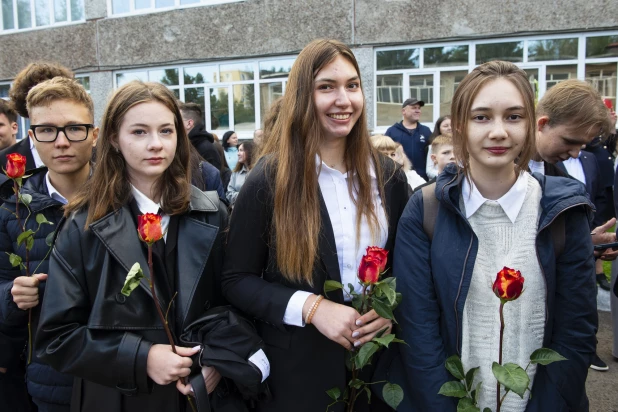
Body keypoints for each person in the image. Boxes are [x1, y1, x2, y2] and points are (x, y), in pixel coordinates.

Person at [393, 61, 597, 411]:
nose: (499, 131)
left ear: (532, 124)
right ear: (459, 126)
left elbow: (575, 333)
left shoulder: (564, 212)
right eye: (482, 117)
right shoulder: (425, 211)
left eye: (514, 116)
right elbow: (418, 332)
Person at [221, 39, 409, 412]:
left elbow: (406, 269)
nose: (344, 100)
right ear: (302, 96)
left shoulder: (388, 177)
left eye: (352, 85)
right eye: (327, 87)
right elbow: (235, 279)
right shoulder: (269, 180)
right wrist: (311, 307)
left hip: (377, 374)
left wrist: (391, 316)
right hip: (298, 380)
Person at [35, 81, 229, 411]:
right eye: (139, 132)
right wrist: (142, 358)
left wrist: (220, 361)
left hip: (200, 396)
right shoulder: (82, 225)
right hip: (117, 398)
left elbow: (234, 302)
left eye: (166, 131)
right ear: (113, 138)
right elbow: (57, 337)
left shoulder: (213, 214)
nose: (156, 144)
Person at [0, 77, 97, 412]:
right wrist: (11, 295)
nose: (61, 142)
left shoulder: (124, 201)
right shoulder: (10, 208)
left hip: (118, 374)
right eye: (47, 130)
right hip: (49, 379)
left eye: (74, 129)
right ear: (31, 137)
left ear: (94, 134)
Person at [533, 80, 615, 372]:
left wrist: (584, 244)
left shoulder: (560, 179)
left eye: (582, 145)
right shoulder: (493, 176)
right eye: (569, 142)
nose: (575, 153)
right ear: (542, 124)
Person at [0, 62, 74, 175]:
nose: (49, 108)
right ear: (26, 107)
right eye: (38, 101)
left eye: (56, 97)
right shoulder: (4, 161)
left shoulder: (93, 154)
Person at [384, 98, 431, 180]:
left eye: (419, 108)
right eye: (414, 108)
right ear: (403, 111)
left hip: (422, 178)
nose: (417, 111)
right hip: (398, 177)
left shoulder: (426, 131)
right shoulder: (392, 131)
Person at [179, 102, 222, 171]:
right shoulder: (184, 145)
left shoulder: (207, 149)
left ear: (189, 123)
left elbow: (212, 179)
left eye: (178, 120)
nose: (174, 123)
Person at [226, 141, 254, 206]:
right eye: (238, 150)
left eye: (241, 150)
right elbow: (229, 194)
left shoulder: (257, 171)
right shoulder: (236, 172)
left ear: (249, 151)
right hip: (237, 211)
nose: (238, 153)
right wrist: (242, 195)